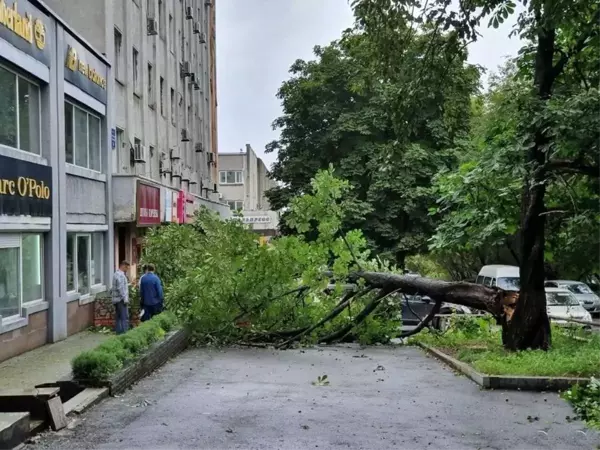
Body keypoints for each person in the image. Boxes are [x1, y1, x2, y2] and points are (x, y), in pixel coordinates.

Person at [112, 260, 130, 334]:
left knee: (118, 317)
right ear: (123, 266)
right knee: (123, 317)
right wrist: (125, 299)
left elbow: (116, 286)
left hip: (116, 299)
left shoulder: (116, 273)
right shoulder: (121, 275)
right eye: (127, 268)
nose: (127, 270)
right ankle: (124, 333)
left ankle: (118, 333)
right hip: (120, 299)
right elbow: (120, 288)